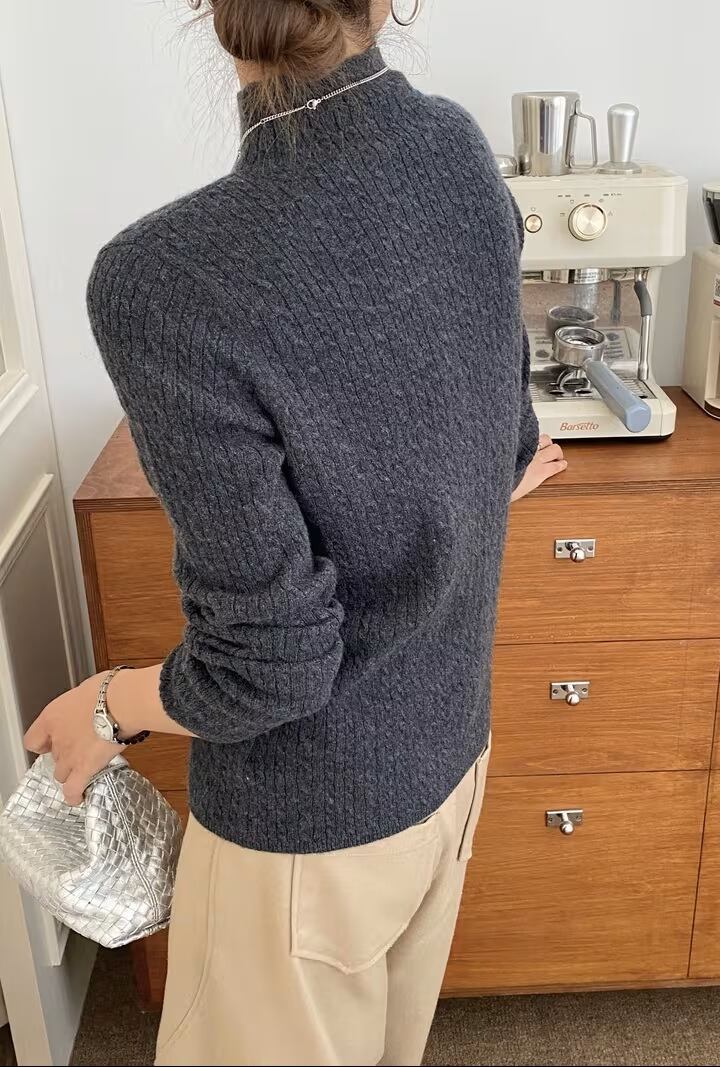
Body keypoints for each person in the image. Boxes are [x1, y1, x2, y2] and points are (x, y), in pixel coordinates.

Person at [24, 1, 567, 1063]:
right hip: (448, 768)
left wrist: (105, 706)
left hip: (307, 832)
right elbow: (505, 448)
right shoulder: (457, 153)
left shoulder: (164, 278)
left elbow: (270, 664)